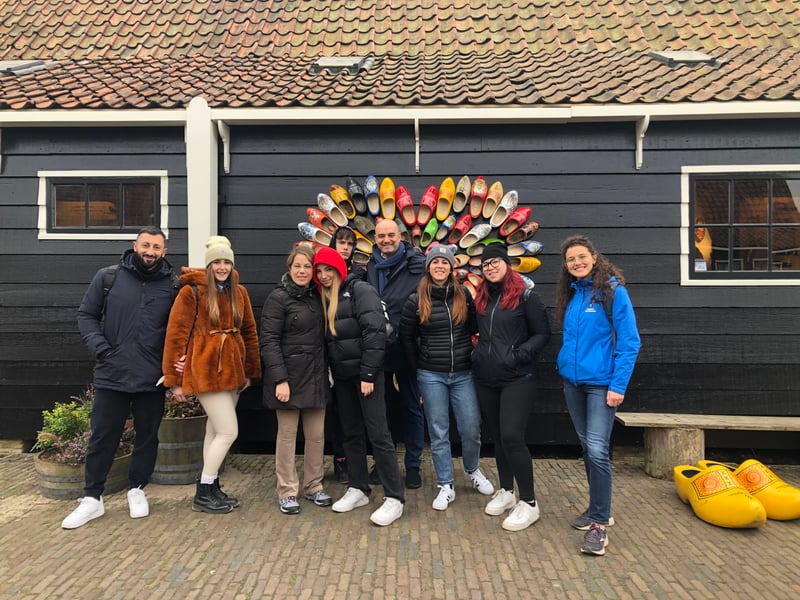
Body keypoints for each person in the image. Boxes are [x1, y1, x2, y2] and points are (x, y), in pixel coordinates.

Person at [63, 226, 177, 529]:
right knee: (103, 436)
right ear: (134, 246)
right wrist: (101, 349)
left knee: (147, 437)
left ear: (164, 252)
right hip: (112, 373)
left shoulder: (172, 285)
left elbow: (180, 329)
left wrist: (174, 364)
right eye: (146, 245)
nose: (150, 252)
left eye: (156, 247)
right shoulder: (108, 277)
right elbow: (86, 315)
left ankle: (137, 489)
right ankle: (92, 499)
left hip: (151, 377)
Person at [161, 236, 261, 514]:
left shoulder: (239, 292)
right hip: (206, 371)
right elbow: (176, 335)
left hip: (234, 373)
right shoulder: (191, 292)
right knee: (229, 431)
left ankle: (212, 484)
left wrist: (250, 371)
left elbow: (250, 332)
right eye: (216, 262)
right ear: (208, 264)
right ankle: (203, 491)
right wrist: (174, 379)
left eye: (226, 261)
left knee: (215, 431)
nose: (222, 267)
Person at [555, 235, 641, 556]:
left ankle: (599, 524)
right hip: (573, 384)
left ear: (593, 257)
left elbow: (630, 341)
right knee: (588, 448)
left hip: (602, 385)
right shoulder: (574, 295)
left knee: (597, 449)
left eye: (581, 257)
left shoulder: (613, 292)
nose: (577, 263)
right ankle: (596, 508)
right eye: (570, 260)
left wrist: (618, 386)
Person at [399, 244, 495, 511]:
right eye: (435, 262)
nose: (439, 266)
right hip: (431, 375)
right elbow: (406, 337)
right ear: (428, 267)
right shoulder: (416, 298)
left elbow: (475, 327)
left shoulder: (464, 294)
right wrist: (417, 365)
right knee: (439, 432)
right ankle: (445, 483)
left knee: (470, 428)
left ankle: (473, 470)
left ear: (451, 267)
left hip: (463, 373)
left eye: (444, 262)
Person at [313, 246, 405, 526]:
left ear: (339, 269)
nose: (324, 275)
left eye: (328, 269)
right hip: (342, 377)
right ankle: (358, 487)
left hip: (367, 376)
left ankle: (395, 497)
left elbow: (375, 332)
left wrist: (368, 374)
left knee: (378, 434)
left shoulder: (361, 290)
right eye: (320, 271)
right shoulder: (325, 297)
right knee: (351, 433)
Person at [471, 243, 551, 532]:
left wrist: (519, 355)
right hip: (487, 377)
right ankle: (506, 491)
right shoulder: (482, 297)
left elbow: (543, 333)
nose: (490, 267)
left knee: (512, 436)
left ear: (507, 263)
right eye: (486, 264)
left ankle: (529, 503)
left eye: (495, 262)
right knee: (498, 437)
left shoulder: (526, 295)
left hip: (518, 377)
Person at [261, 246, 332, 514]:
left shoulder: (318, 297)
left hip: (315, 376)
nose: (302, 271)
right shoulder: (278, 298)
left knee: (316, 436)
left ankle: (314, 485)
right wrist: (280, 379)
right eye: (297, 266)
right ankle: (287, 490)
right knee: (288, 436)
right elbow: (268, 341)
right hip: (288, 379)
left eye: (307, 267)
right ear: (289, 268)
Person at [365, 218, 427, 488]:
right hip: (379, 349)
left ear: (400, 236)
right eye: (381, 236)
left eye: (391, 235)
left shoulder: (416, 265)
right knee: (382, 411)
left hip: (408, 347)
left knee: (413, 407)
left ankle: (413, 466)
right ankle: (383, 464)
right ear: (375, 239)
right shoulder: (369, 266)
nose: (386, 240)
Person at [326, 226, 364, 484]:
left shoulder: (360, 275)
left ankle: (356, 462)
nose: (346, 247)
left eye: (350, 243)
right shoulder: (324, 274)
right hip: (329, 350)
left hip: (353, 353)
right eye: (341, 242)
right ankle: (339, 461)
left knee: (354, 414)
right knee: (335, 413)